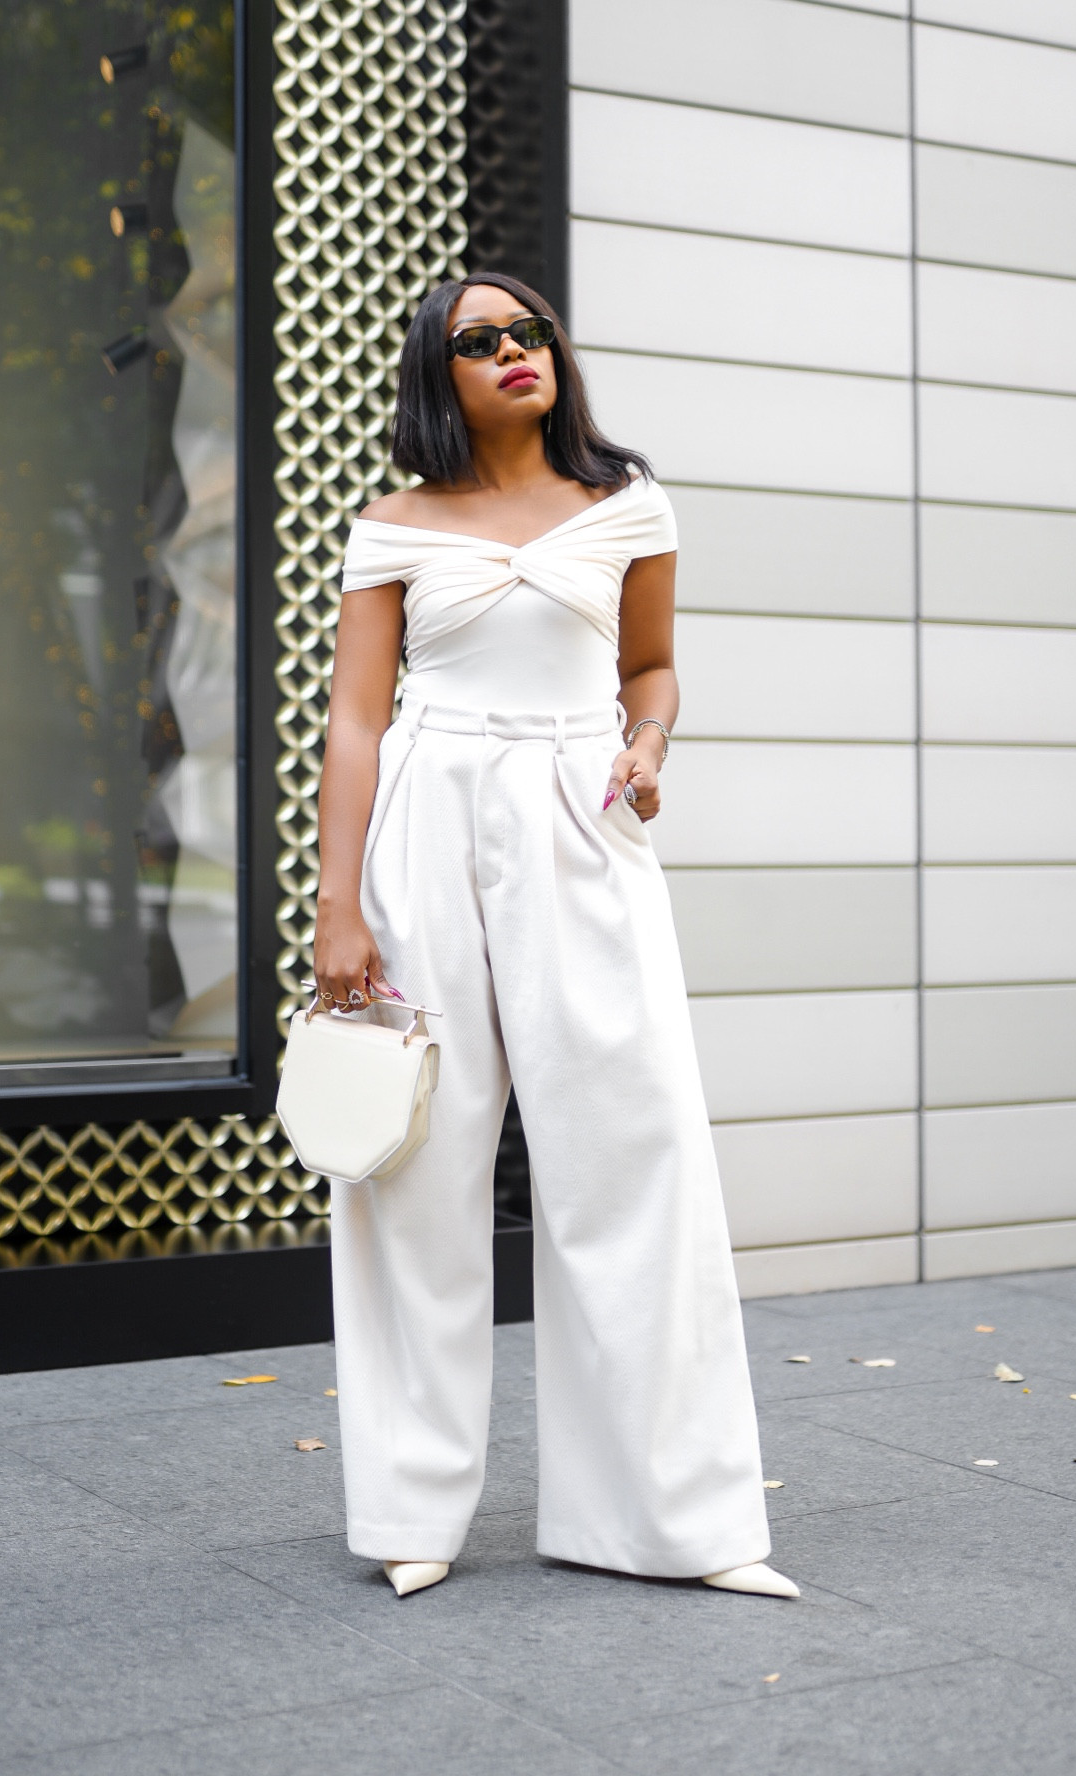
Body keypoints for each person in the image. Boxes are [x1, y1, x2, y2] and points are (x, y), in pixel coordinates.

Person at [312, 270, 797, 1602]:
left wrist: (644, 746)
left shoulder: (627, 504)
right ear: (439, 371)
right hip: (425, 816)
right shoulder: (393, 524)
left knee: (634, 1153)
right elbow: (357, 720)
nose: (515, 350)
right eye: (480, 340)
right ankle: (412, 1506)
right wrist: (335, 904)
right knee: (412, 1168)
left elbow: (648, 666)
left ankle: (675, 1520)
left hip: (579, 818)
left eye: (529, 331)